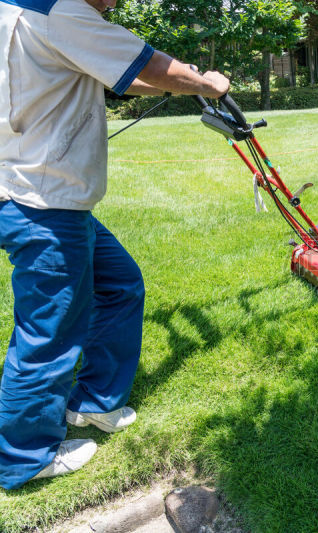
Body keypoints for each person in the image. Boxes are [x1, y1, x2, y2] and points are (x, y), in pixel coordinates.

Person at [0, 0, 230, 490]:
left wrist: (180, 81)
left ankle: (95, 403)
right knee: (49, 334)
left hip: (39, 194)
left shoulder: (24, 9)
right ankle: (23, 457)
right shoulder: (60, 11)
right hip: (44, 203)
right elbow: (147, 64)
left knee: (121, 284)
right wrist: (206, 82)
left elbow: (125, 73)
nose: (115, 6)